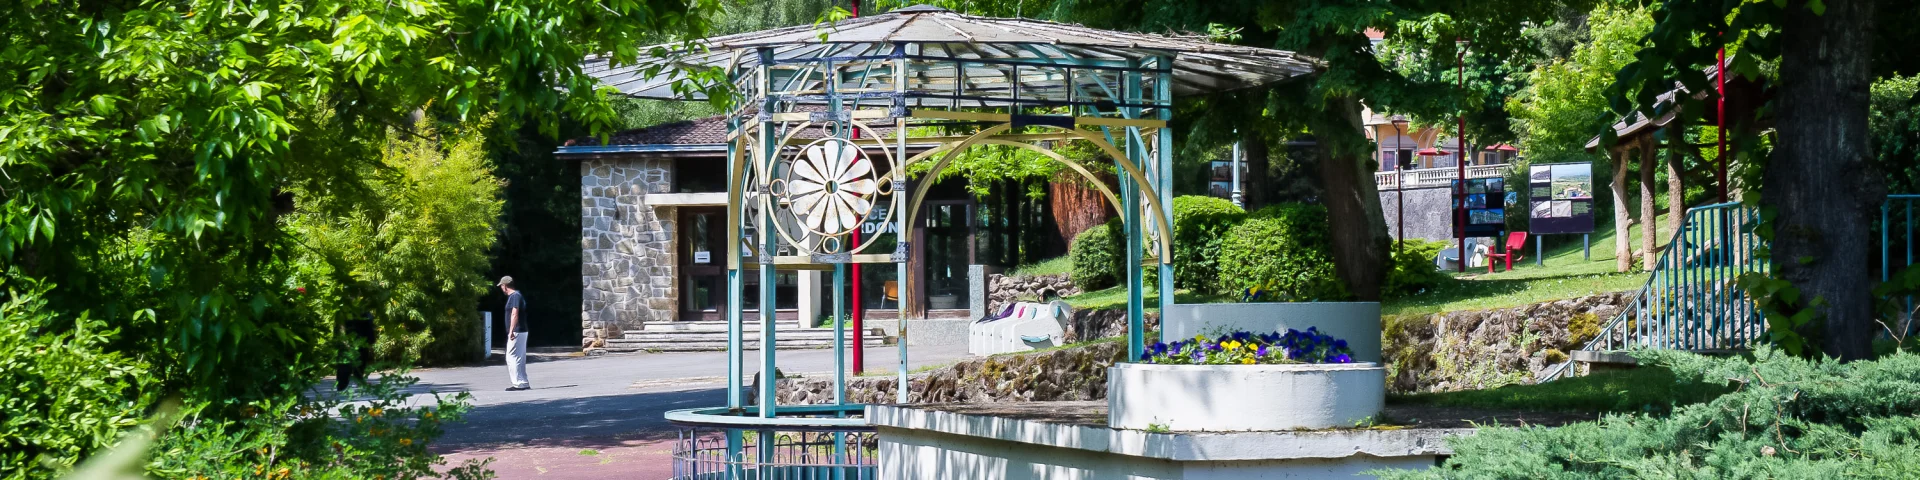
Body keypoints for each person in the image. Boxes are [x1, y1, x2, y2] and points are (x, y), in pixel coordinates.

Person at [500, 276, 531, 391]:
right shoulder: (518, 295)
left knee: (511, 356)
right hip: (522, 329)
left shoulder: (514, 296)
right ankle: (523, 382)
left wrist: (511, 330)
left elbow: (514, 313)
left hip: (517, 330)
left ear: (505, 286)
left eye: (501, 286)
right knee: (520, 357)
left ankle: (518, 383)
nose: (501, 288)